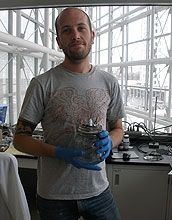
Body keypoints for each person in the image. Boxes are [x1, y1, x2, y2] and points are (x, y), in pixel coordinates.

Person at [13, 7, 125, 220]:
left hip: (99, 191)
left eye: (81, 28)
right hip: (54, 195)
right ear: (58, 41)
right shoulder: (42, 84)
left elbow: (118, 128)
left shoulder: (109, 82)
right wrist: (57, 152)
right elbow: (20, 139)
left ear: (92, 36)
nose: (75, 35)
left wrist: (110, 141)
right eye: (67, 30)